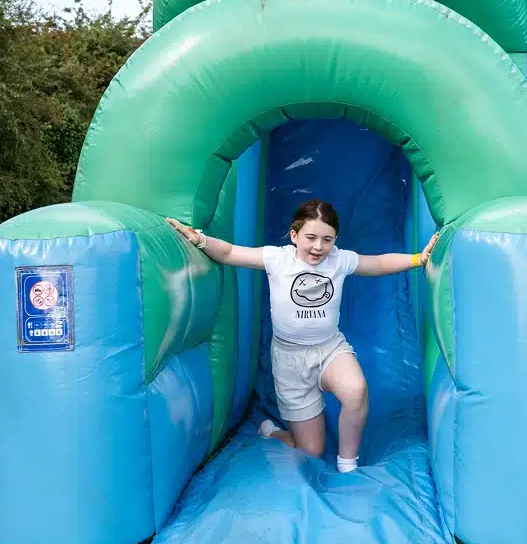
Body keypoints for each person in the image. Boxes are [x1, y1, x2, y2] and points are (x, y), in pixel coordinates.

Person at [167, 199, 438, 473]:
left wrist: (418, 259)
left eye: (327, 239)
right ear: (294, 235)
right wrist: (198, 239)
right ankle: (274, 433)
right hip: (290, 359)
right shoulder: (278, 258)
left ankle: (348, 464)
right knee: (311, 451)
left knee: (356, 390)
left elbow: (377, 263)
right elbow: (228, 253)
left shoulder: (339, 260)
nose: (318, 247)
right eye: (310, 237)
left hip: (329, 349)